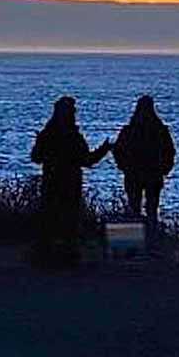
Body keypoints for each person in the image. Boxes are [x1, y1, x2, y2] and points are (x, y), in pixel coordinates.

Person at [30, 97, 111, 265]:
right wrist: (103, 150)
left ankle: (48, 253)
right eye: (72, 110)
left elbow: (36, 157)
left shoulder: (48, 133)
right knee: (67, 217)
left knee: (52, 216)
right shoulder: (72, 136)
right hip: (67, 182)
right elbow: (86, 160)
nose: (74, 113)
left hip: (52, 181)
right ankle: (66, 253)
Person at [112, 95, 175, 245]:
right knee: (149, 209)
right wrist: (165, 168)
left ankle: (135, 245)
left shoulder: (131, 130)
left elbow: (118, 150)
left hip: (141, 174)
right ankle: (148, 242)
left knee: (137, 209)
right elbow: (169, 151)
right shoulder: (159, 130)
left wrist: (123, 166)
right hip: (146, 174)